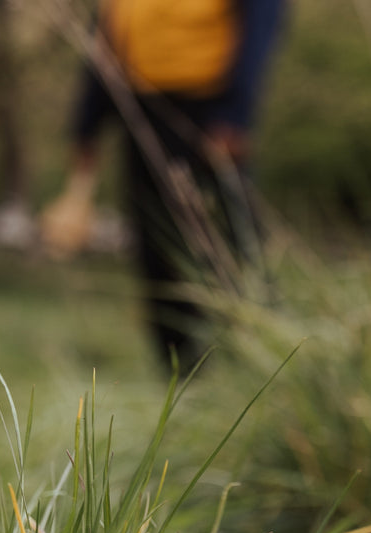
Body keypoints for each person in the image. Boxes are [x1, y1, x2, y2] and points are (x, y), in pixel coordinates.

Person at [41, 0, 288, 369]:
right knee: (156, 248)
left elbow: (261, 24)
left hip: (208, 115)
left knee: (229, 243)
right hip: (141, 113)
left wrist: (236, 115)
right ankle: (180, 371)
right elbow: (106, 37)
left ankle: (261, 360)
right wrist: (87, 127)